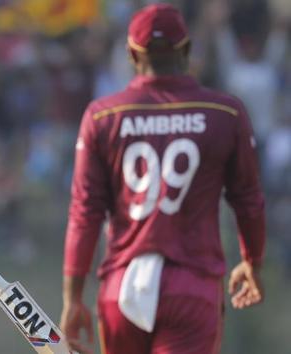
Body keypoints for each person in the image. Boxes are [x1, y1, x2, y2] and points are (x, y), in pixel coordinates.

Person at [59, 4, 266, 354]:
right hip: (192, 286)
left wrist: (73, 298)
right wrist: (253, 260)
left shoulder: (102, 116)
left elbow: (85, 212)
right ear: (186, 51)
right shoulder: (224, 112)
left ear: (130, 54)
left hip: (121, 287)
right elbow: (248, 199)